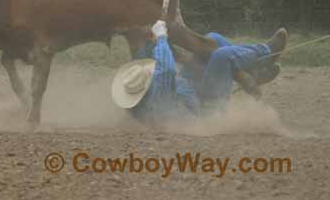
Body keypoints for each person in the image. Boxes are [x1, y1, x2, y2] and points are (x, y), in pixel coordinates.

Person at [111, 20, 288, 126]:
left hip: (190, 91)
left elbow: (143, 56)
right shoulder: (157, 93)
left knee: (212, 38)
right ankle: (265, 53)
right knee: (221, 55)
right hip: (206, 107)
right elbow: (166, 68)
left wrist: (144, 35)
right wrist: (161, 36)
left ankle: (253, 72)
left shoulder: (143, 94)